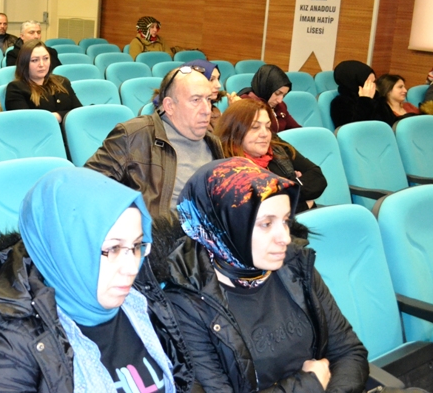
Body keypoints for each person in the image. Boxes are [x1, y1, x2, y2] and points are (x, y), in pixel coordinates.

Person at [0, 167, 191, 393]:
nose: (131, 268)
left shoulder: (143, 300)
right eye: (113, 249)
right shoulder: (7, 340)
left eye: (136, 246)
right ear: (66, 249)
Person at [158, 157, 369, 393]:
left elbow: (349, 352)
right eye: (266, 224)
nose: (285, 238)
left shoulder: (296, 263)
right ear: (225, 225)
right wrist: (308, 384)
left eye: (285, 221)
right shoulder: (187, 304)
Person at [86, 66, 224, 221]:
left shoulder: (213, 143)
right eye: (196, 100)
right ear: (169, 106)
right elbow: (88, 187)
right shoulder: (133, 135)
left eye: (209, 100)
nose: (207, 110)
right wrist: (132, 222)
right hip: (157, 233)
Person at [215, 98, 326, 213]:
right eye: (255, 127)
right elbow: (256, 213)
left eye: (268, 127)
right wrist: (304, 202)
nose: (265, 134)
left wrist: (287, 188)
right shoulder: (227, 167)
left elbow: (317, 177)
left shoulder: (276, 145)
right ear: (235, 131)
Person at [5, 40, 81, 122]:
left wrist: (57, 116)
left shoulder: (62, 81)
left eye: (46, 58)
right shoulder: (16, 88)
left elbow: (79, 112)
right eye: (35, 60)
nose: (42, 64)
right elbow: (26, 121)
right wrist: (60, 116)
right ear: (24, 63)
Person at [236, 64, 300, 132]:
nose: (280, 100)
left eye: (284, 95)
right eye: (277, 93)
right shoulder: (246, 103)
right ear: (266, 88)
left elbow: (297, 130)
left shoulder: (280, 106)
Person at [330, 60, 386, 129]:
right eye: (368, 83)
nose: (373, 86)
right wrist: (366, 100)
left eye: (374, 82)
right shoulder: (340, 103)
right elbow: (354, 128)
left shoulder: (375, 96)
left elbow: (387, 123)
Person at [181, 59, 222, 130]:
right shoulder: (185, 116)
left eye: (218, 79)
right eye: (211, 79)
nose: (219, 85)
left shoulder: (214, 109)